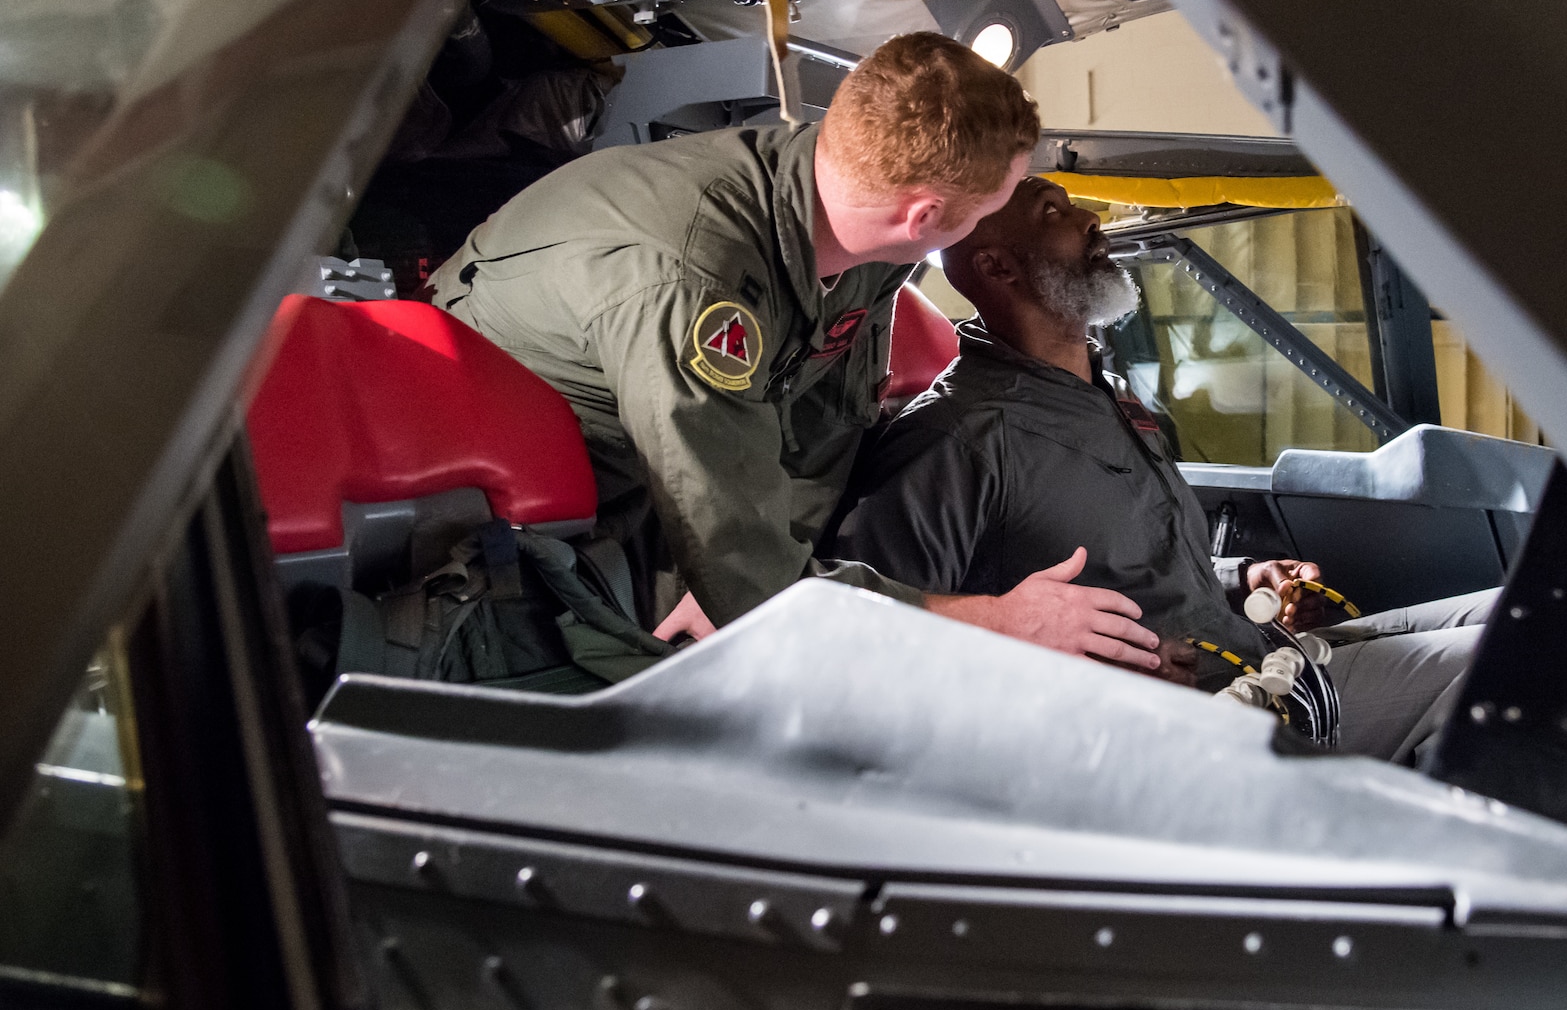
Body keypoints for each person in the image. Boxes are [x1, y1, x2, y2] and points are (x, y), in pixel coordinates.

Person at [429, 34, 1161, 672]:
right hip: (497, 470)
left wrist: (758, 575)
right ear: (926, 215)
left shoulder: (864, 230)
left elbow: (821, 429)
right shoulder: (693, 284)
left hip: (654, 460)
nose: (996, 217)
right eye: (994, 201)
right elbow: (746, 571)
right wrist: (997, 621)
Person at [825, 177, 1492, 762]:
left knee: (1512, 612)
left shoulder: (1104, 392)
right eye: (1054, 211)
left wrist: (1243, 577)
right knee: (1505, 669)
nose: (1091, 219)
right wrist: (1083, 684)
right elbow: (877, 644)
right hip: (1206, 715)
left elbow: (1144, 558)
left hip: (1252, 643)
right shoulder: (954, 439)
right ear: (999, 266)